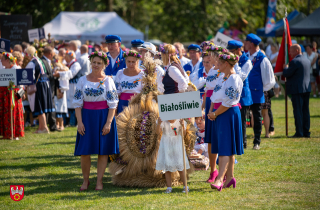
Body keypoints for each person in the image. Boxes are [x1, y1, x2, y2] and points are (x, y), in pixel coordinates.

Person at [73, 51, 119, 191]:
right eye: (94, 62)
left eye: (99, 63)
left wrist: (108, 123)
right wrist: (80, 122)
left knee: (103, 151)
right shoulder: (82, 80)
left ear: (104, 65)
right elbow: (77, 103)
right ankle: (85, 181)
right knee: (85, 152)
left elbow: (113, 104)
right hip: (86, 117)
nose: (96, 65)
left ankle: (99, 181)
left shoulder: (108, 81)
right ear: (90, 62)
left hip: (103, 117)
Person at [207, 52, 243, 191]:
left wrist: (215, 113)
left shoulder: (234, 79)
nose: (217, 65)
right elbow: (215, 95)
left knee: (225, 148)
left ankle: (220, 179)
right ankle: (230, 177)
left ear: (226, 64)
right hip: (219, 114)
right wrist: (211, 111)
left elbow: (228, 102)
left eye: (220, 63)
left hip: (227, 113)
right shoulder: (223, 77)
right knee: (227, 146)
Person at [244, 33, 275, 150]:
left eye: (246, 42)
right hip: (245, 92)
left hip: (256, 92)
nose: (244, 44)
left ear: (251, 44)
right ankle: (244, 141)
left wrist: (262, 89)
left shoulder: (262, 59)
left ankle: (257, 141)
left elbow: (269, 79)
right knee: (244, 116)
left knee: (257, 117)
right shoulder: (245, 56)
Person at [202, 45, 225, 183]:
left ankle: (224, 171)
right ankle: (212, 171)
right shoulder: (211, 71)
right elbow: (207, 90)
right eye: (210, 55)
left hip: (219, 105)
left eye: (213, 55)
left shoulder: (223, 72)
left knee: (220, 138)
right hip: (210, 103)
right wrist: (203, 107)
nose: (211, 57)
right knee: (210, 139)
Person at [227, 40, 253, 148]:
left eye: (232, 51)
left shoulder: (247, 61)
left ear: (239, 50)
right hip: (232, 94)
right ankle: (236, 141)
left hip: (242, 95)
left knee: (242, 120)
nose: (230, 54)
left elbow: (241, 77)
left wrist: (235, 64)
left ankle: (243, 142)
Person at [155, 118, 190, 193]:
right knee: (167, 167)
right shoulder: (163, 121)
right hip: (166, 145)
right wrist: (158, 123)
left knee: (180, 167)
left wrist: (183, 126)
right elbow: (157, 132)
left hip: (177, 145)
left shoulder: (180, 120)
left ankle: (185, 186)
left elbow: (183, 134)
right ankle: (169, 187)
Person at [283, 44, 311, 138]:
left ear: (296, 51)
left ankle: (299, 132)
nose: (290, 53)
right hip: (306, 89)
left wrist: (285, 67)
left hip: (297, 90)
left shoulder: (295, 61)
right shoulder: (307, 60)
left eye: (291, 51)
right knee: (305, 111)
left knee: (298, 111)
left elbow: (287, 73)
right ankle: (306, 131)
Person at [25, 46, 54, 134]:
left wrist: (26, 85)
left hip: (38, 86)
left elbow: (29, 77)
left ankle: (44, 127)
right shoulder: (40, 60)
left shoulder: (31, 63)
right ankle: (41, 127)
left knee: (39, 106)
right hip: (45, 84)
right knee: (41, 106)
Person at [0, 52, 24, 140]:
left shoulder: (16, 68)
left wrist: (20, 92)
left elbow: (22, 83)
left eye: (2, 60)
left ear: (7, 60)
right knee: (5, 114)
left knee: (14, 113)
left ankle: (14, 134)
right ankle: (6, 134)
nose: (1, 61)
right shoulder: (2, 70)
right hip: (4, 95)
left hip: (13, 95)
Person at [53, 50, 81, 127]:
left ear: (70, 56)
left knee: (75, 103)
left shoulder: (76, 64)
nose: (64, 57)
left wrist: (59, 73)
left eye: (66, 56)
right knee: (67, 104)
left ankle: (77, 122)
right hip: (68, 85)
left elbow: (71, 74)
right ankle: (67, 122)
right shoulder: (66, 64)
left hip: (74, 86)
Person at [42, 46, 58, 132]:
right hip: (47, 86)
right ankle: (52, 125)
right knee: (51, 105)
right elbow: (43, 76)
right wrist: (54, 75)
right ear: (50, 54)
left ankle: (52, 125)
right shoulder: (43, 61)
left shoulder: (47, 61)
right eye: (53, 54)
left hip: (50, 86)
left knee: (51, 105)